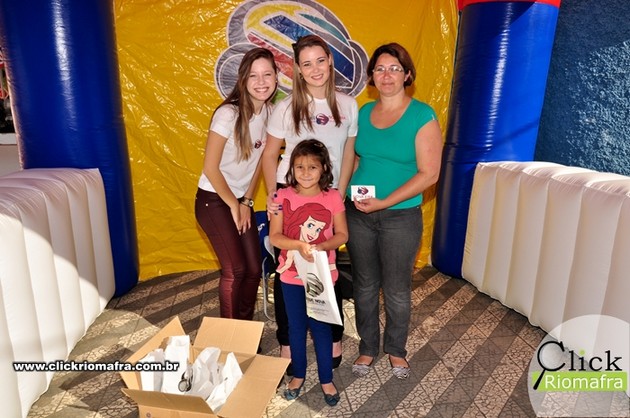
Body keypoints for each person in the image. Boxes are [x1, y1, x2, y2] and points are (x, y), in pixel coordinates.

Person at [345, 43, 443, 379]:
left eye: (394, 69)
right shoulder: (362, 113)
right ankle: (368, 348)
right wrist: (344, 195)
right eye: (380, 69)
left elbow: (429, 174)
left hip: (400, 217)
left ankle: (396, 350)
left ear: (407, 75)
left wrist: (384, 202)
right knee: (364, 284)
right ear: (371, 76)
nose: (387, 75)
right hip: (358, 213)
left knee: (397, 288)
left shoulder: (422, 115)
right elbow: (356, 159)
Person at [261, 34, 358, 370]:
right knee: (287, 269)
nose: (315, 69)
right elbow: (270, 155)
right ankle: (288, 343)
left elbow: (348, 151)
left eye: (320, 61)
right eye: (307, 64)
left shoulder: (348, 105)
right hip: (291, 199)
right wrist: (272, 195)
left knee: (326, 269)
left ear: (330, 61)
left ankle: (333, 336)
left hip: (328, 198)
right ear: (298, 70)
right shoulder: (285, 107)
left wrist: (340, 192)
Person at [195, 47, 278, 320]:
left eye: (267, 74)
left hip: (241, 200)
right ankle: (230, 336)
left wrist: (246, 202)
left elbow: (259, 165)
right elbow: (210, 167)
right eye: (254, 75)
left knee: (254, 269)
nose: (261, 82)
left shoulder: (271, 113)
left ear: (276, 78)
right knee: (236, 270)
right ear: (243, 79)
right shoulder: (228, 114)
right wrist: (233, 204)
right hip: (213, 200)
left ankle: (243, 331)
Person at [269, 139, 347, 406]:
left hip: (322, 277)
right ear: (291, 168)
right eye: (299, 166)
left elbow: (342, 234)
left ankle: (326, 379)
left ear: (323, 168)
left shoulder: (333, 197)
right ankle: (298, 376)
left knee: (322, 328)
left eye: (312, 167)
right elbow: (275, 236)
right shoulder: (281, 197)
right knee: (296, 328)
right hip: (290, 277)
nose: (305, 172)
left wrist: (321, 247)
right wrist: (299, 245)